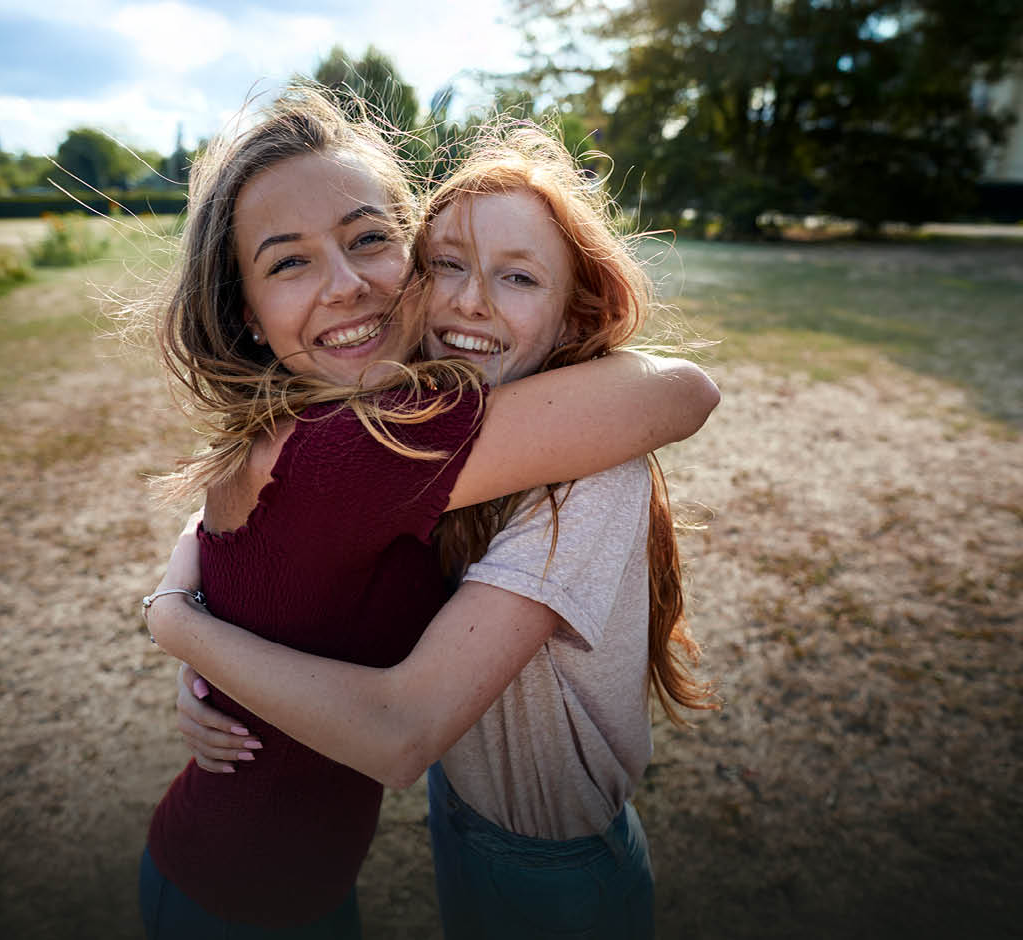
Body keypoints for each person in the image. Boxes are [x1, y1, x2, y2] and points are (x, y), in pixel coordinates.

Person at [136, 92, 718, 940]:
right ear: (246, 316)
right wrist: (181, 626)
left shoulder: (380, 427)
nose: (346, 285)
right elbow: (682, 388)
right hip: (235, 901)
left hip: (284, 876)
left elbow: (249, 532)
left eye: (370, 239)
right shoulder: (375, 444)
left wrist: (185, 619)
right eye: (288, 262)